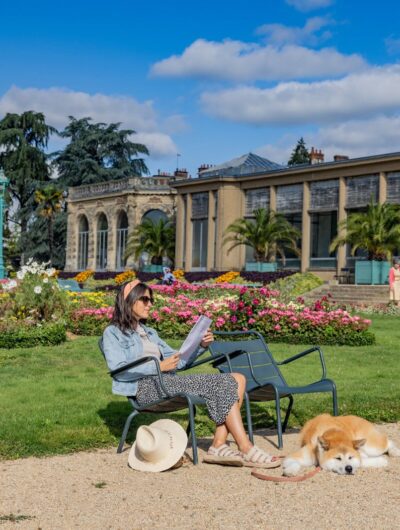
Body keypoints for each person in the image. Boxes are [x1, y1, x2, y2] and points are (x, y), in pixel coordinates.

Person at [102, 279, 280, 468]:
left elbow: (180, 361)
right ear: (129, 300)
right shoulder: (113, 333)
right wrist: (159, 367)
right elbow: (119, 370)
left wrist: (201, 346)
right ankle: (245, 447)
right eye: (145, 299)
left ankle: (218, 445)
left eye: (151, 300)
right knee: (221, 383)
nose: (150, 304)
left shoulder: (150, 333)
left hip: (168, 383)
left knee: (238, 378)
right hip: (146, 389)